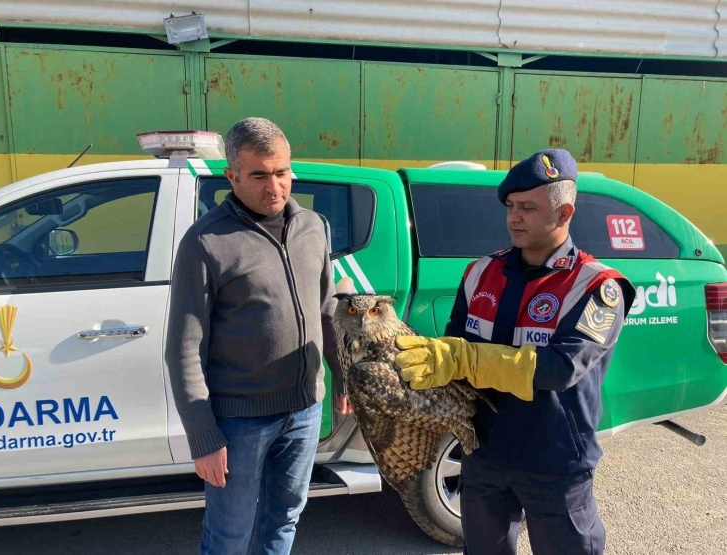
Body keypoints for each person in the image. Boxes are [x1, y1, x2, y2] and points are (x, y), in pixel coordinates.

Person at [394, 149, 635, 555]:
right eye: (510, 206)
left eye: (528, 207)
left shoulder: (598, 286)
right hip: (482, 452)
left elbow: (559, 369)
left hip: (554, 459)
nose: (514, 217)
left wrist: (466, 359)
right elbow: (455, 348)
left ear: (564, 213)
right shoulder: (480, 272)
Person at [165, 117, 351, 555]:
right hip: (239, 421)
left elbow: (326, 309)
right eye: (259, 175)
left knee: (283, 519)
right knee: (229, 536)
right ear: (231, 176)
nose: (275, 187)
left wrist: (341, 376)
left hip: (304, 410)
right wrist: (204, 437)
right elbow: (183, 349)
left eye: (282, 172)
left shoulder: (313, 227)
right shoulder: (206, 242)